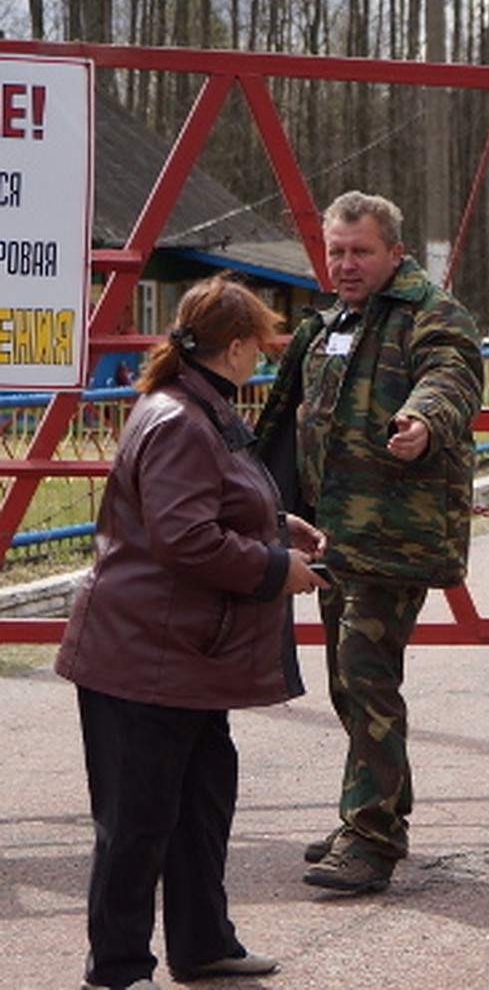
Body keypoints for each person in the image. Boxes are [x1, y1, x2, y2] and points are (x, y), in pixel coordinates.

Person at [56, 276, 329, 990]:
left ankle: (203, 943)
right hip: (144, 657)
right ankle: (117, 970)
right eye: (259, 344)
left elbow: (212, 504)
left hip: (179, 657)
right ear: (234, 347)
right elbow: (183, 539)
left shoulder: (193, 405)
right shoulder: (182, 417)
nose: (264, 357)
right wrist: (276, 567)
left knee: (199, 809)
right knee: (137, 822)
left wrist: (276, 525)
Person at [255, 190, 483, 895]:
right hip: (331, 535)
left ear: (395, 253)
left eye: (361, 251)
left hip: (394, 533)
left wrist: (422, 421)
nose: (347, 264)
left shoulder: (433, 316)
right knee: (349, 683)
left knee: (365, 674)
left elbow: (451, 379)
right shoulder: (327, 324)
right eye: (337, 251)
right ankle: (373, 809)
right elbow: (287, 415)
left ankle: (373, 838)